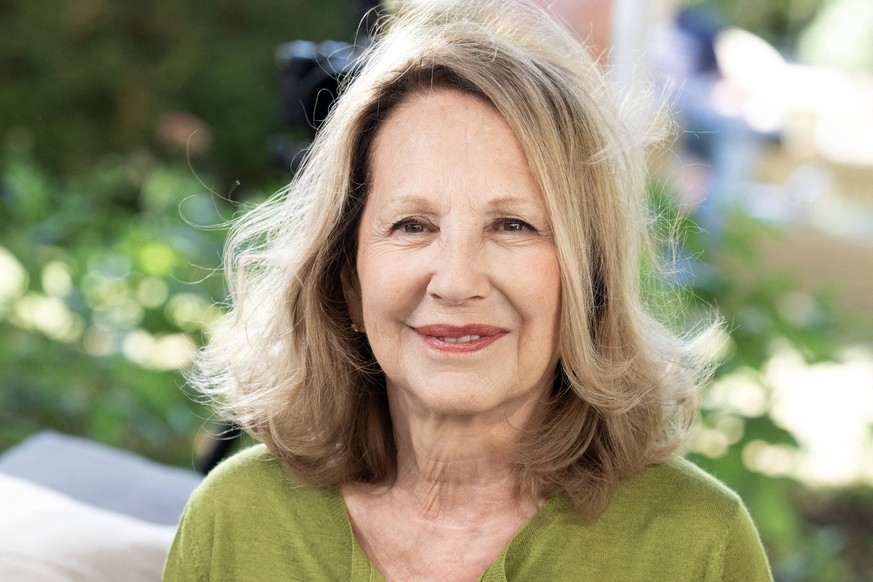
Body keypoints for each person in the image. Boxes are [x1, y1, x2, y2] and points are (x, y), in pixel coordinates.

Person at [164, 1, 772, 580]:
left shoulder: (697, 548)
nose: (456, 282)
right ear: (347, 279)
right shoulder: (236, 521)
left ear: (587, 278)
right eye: (412, 225)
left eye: (514, 226)